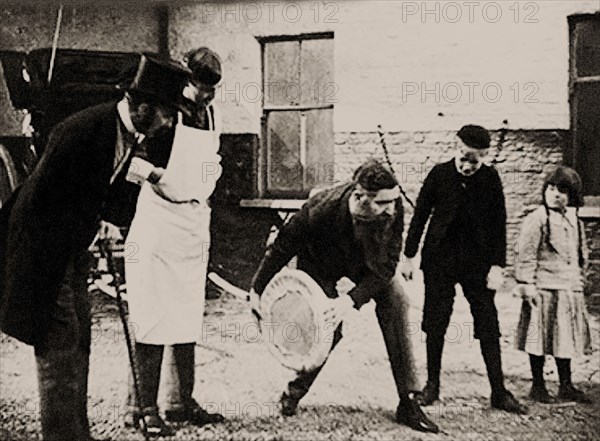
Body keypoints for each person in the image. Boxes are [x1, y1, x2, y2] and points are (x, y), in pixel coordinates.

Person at [0, 54, 191, 441]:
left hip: (69, 248)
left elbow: (113, 193)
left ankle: (77, 432)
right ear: (142, 107)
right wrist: (88, 230)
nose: (170, 122)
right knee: (59, 339)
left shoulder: (130, 135)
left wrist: (105, 223)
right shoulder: (84, 130)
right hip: (41, 250)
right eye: (167, 113)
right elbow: (46, 205)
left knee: (80, 335)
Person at [250, 159, 439, 433]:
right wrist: (257, 290)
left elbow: (386, 268)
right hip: (321, 264)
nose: (392, 209)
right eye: (383, 203)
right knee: (328, 330)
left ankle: (408, 401)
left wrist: (349, 299)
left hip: (368, 264)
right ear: (360, 196)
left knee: (397, 299)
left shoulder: (392, 206)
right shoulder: (319, 209)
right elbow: (282, 247)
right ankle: (295, 391)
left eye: (392, 201)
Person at [124, 47, 225, 437]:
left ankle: (183, 403)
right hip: (159, 220)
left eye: (213, 90)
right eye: (202, 88)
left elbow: (210, 160)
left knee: (186, 317)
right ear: (187, 81)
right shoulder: (160, 111)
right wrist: (157, 176)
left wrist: (206, 180)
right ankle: (145, 408)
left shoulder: (209, 113)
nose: (207, 97)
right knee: (152, 317)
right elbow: (128, 160)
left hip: (193, 222)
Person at [401, 124, 527, 414]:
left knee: (487, 322)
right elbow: (420, 215)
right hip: (439, 259)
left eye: (476, 159)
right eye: (465, 156)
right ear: (456, 147)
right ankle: (432, 386)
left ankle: (498, 390)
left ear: (484, 156)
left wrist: (498, 265)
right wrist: (408, 256)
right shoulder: (439, 174)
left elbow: (499, 222)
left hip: (477, 263)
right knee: (435, 321)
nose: (469, 164)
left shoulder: (490, 178)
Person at [514, 166, 592, 404]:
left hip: (568, 288)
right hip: (543, 289)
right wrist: (526, 284)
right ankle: (537, 385)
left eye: (562, 191)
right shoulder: (537, 219)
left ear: (572, 196)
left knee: (564, 338)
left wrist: (580, 277)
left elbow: (580, 252)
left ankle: (565, 384)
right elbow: (525, 254)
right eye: (551, 189)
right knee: (538, 337)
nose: (555, 194)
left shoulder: (573, 219)